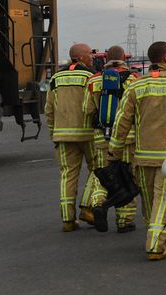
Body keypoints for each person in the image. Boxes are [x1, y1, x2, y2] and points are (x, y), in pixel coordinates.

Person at [109, 42, 166, 260]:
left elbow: (122, 120)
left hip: (142, 156)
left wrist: (115, 149)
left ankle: (153, 232)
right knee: (163, 200)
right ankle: (155, 244)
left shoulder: (136, 86)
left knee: (149, 201)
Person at [84, 45, 139, 233]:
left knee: (103, 174)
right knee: (127, 176)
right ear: (124, 57)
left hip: (102, 136)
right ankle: (125, 221)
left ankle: (98, 203)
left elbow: (88, 109)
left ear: (106, 58)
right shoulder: (134, 79)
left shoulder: (94, 80)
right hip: (128, 136)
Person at [45, 43, 96, 232]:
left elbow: (48, 109)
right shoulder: (89, 77)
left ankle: (67, 219)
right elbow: (93, 106)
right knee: (98, 169)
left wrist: (53, 133)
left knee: (67, 175)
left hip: (63, 135)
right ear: (81, 57)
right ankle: (87, 207)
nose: (92, 57)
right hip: (88, 133)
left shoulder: (56, 78)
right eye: (90, 54)